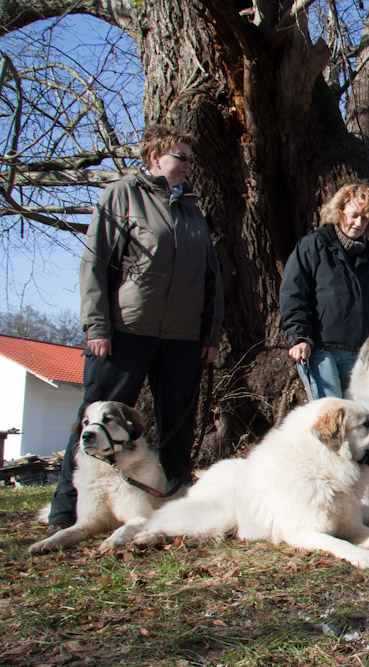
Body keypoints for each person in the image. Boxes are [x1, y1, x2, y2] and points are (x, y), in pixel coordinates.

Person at [47, 124, 224, 531]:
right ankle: (66, 510)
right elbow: (95, 264)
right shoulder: (121, 195)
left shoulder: (192, 209)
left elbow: (210, 277)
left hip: (182, 337)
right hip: (127, 329)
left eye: (188, 158)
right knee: (94, 419)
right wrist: (97, 326)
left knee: (179, 423)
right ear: (154, 157)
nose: (187, 165)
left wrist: (209, 336)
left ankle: (176, 505)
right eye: (180, 156)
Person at [279, 184, 369, 399]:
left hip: (358, 353)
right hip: (320, 349)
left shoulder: (368, 258)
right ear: (340, 211)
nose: (358, 223)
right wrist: (299, 336)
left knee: (358, 421)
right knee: (331, 416)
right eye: (354, 215)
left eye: (365, 219)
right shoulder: (313, 246)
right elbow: (294, 293)